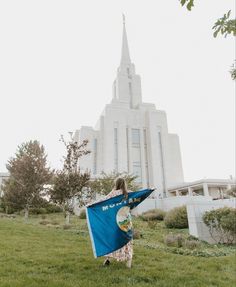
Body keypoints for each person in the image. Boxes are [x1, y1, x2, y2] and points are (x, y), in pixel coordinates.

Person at [102, 177, 133, 268]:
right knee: (127, 240)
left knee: (113, 240)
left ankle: (107, 259)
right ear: (124, 184)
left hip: (115, 220)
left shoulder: (113, 193)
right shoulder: (129, 193)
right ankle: (129, 262)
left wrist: (90, 205)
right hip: (125, 220)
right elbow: (140, 195)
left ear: (116, 184)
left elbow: (103, 201)